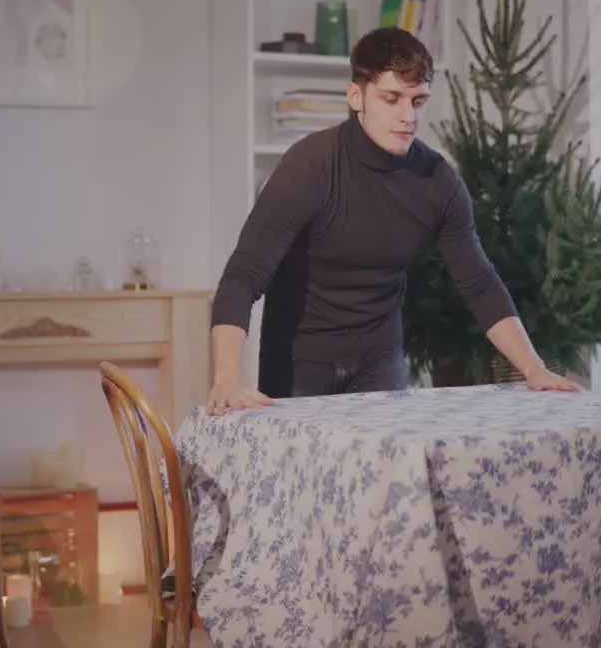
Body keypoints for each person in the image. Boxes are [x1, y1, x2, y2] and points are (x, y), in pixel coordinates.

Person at [206, 27, 581, 416]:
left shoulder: (438, 182)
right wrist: (226, 378)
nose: (407, 116)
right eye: (392, 98)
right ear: (357, 97)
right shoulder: (309, 167)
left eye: (418, 101)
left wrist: (534, 368)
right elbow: (244, 275)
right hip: (299, 362)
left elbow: (480, 283)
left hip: (379, 360)